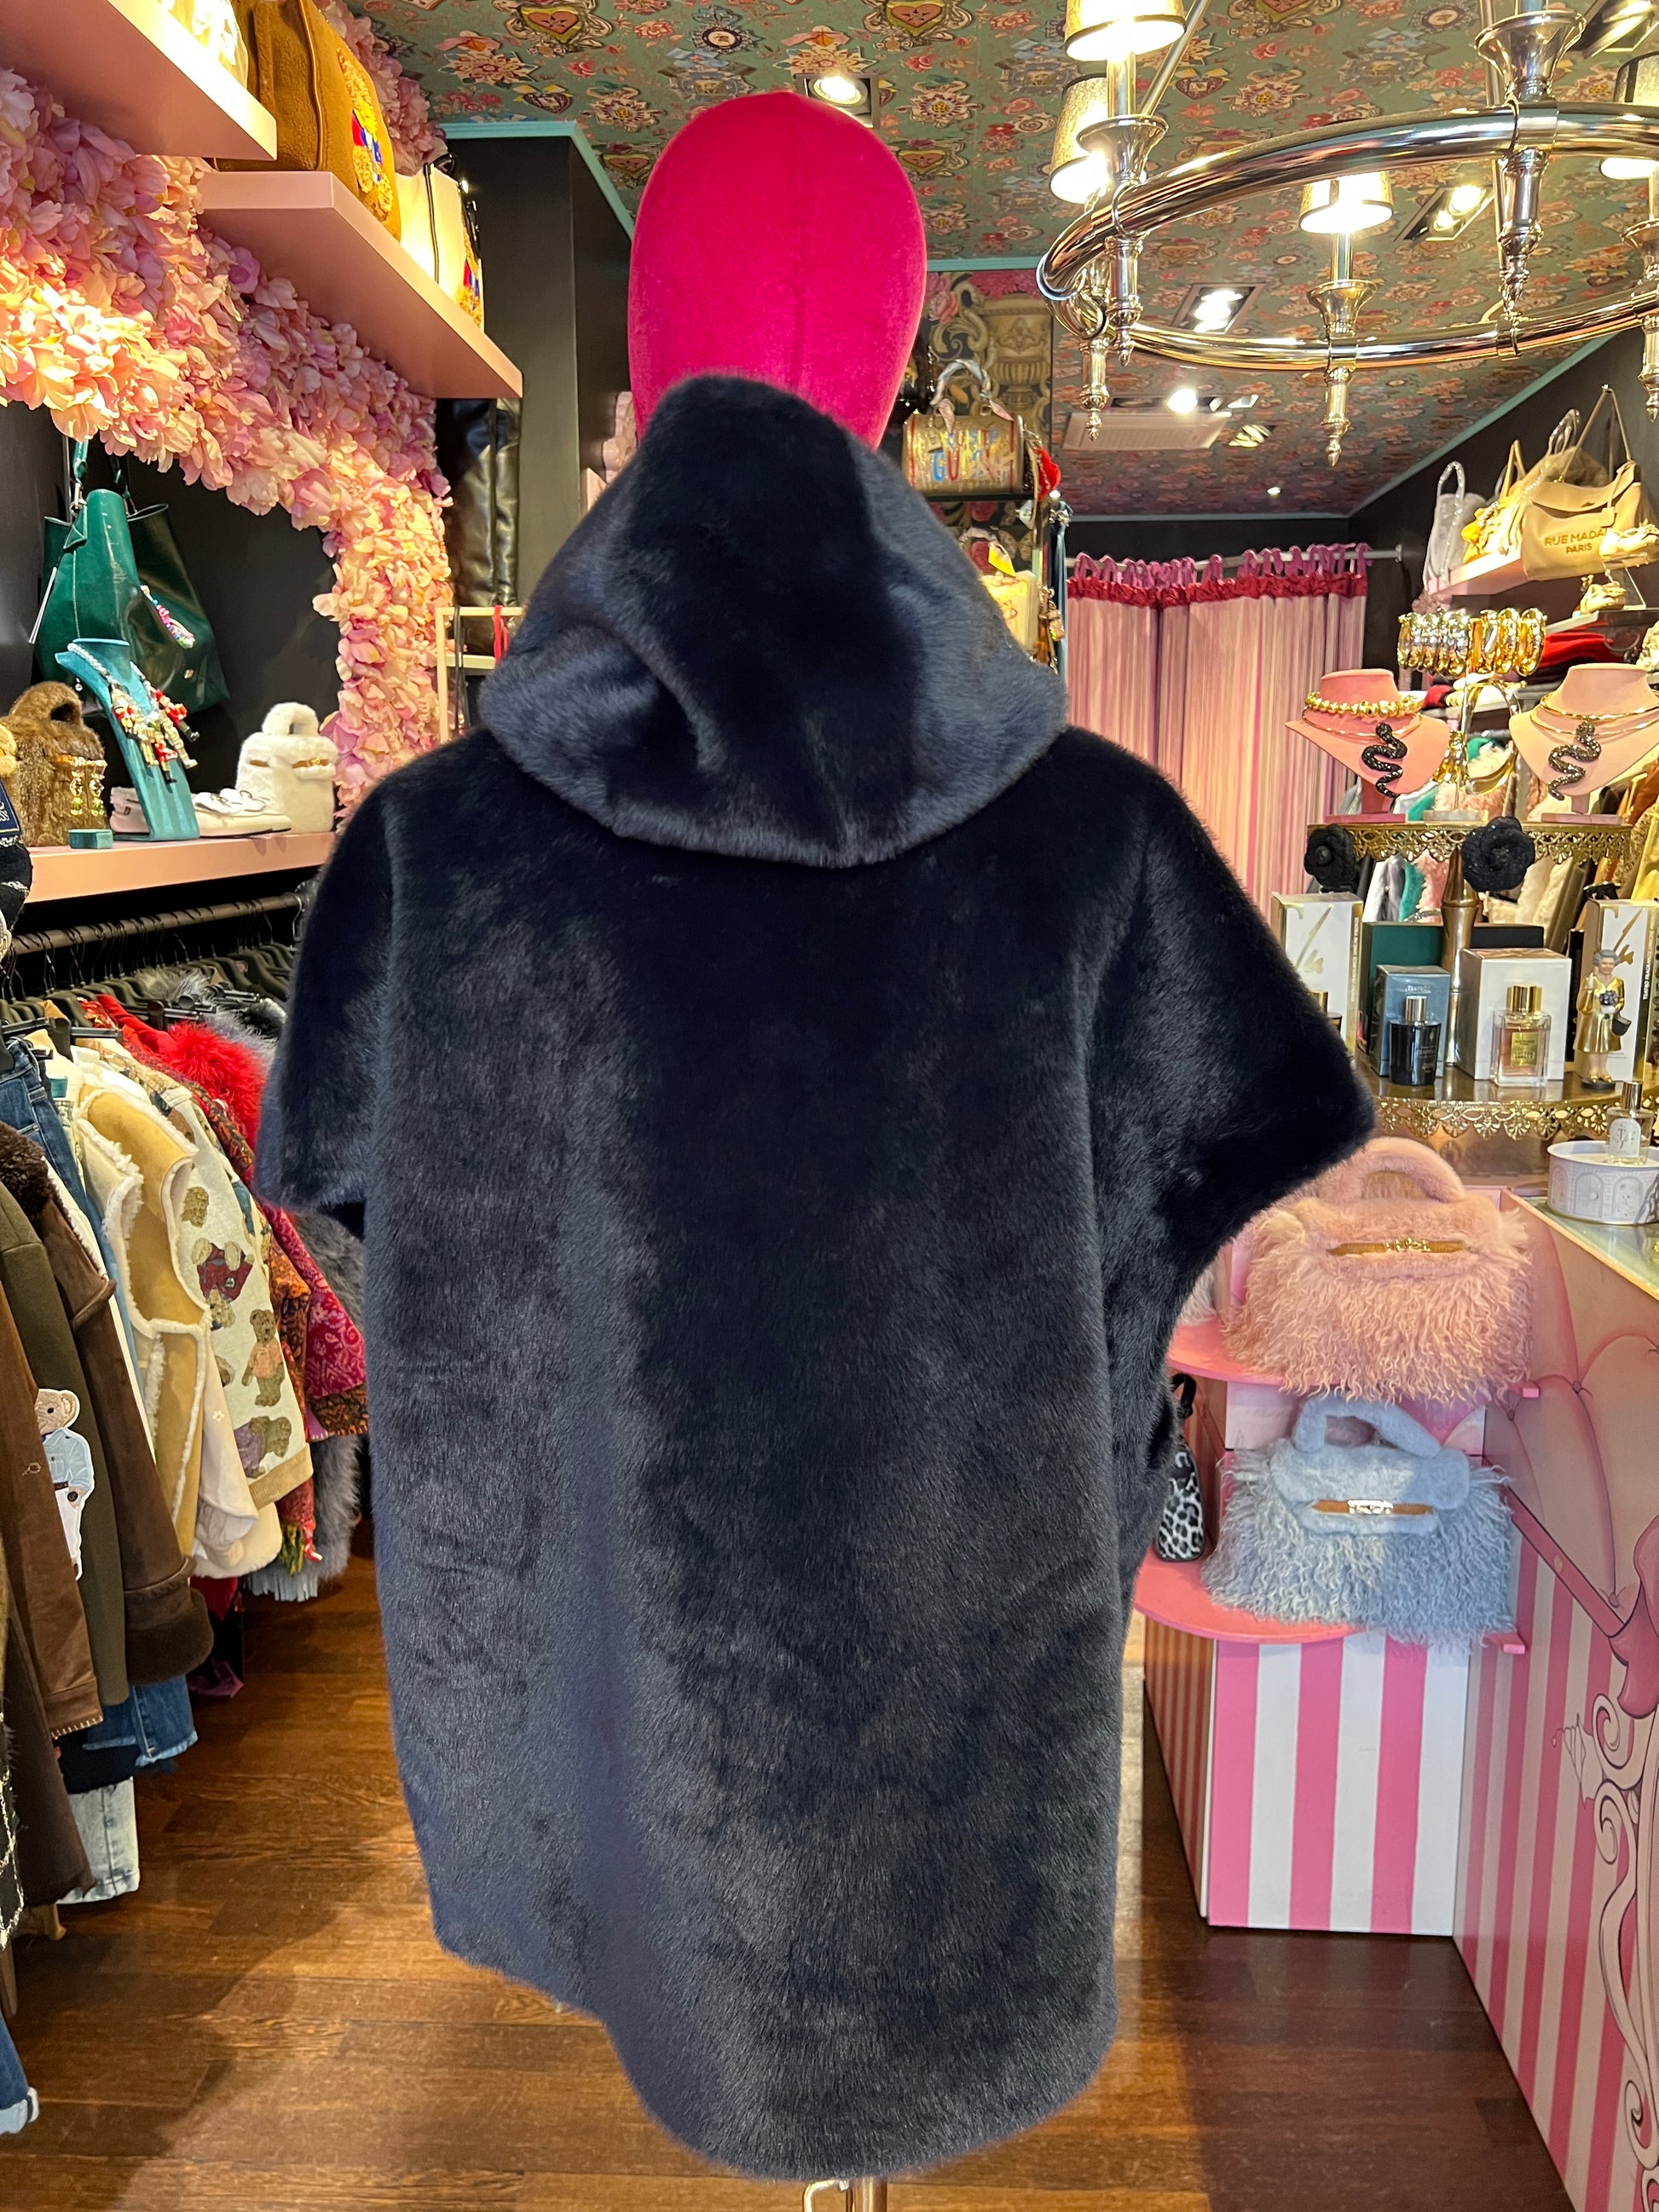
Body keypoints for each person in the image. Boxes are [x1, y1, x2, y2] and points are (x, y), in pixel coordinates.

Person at [258, 90, 1370, 2183]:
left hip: (619, 1726)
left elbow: (363, 1231)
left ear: (645, 364)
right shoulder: (1098, 843)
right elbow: (1211, 1172)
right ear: (886, 372)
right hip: (957, 1733)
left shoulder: (437, 852)